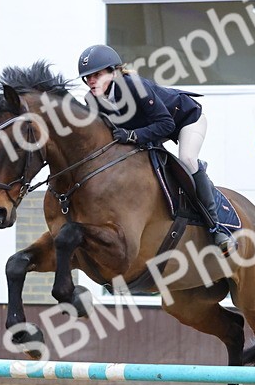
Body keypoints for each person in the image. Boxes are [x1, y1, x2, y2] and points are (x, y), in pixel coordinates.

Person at [77, 44, 235, 254]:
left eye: (96, 75)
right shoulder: (91, 100)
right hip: (151, 132)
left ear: (113, 72)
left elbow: (166, 124)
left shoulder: (134, 86)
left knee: (187, 159)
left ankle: (217, 228)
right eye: (87, 77)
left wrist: (133, 136)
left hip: (185, 120)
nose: (91, 81)